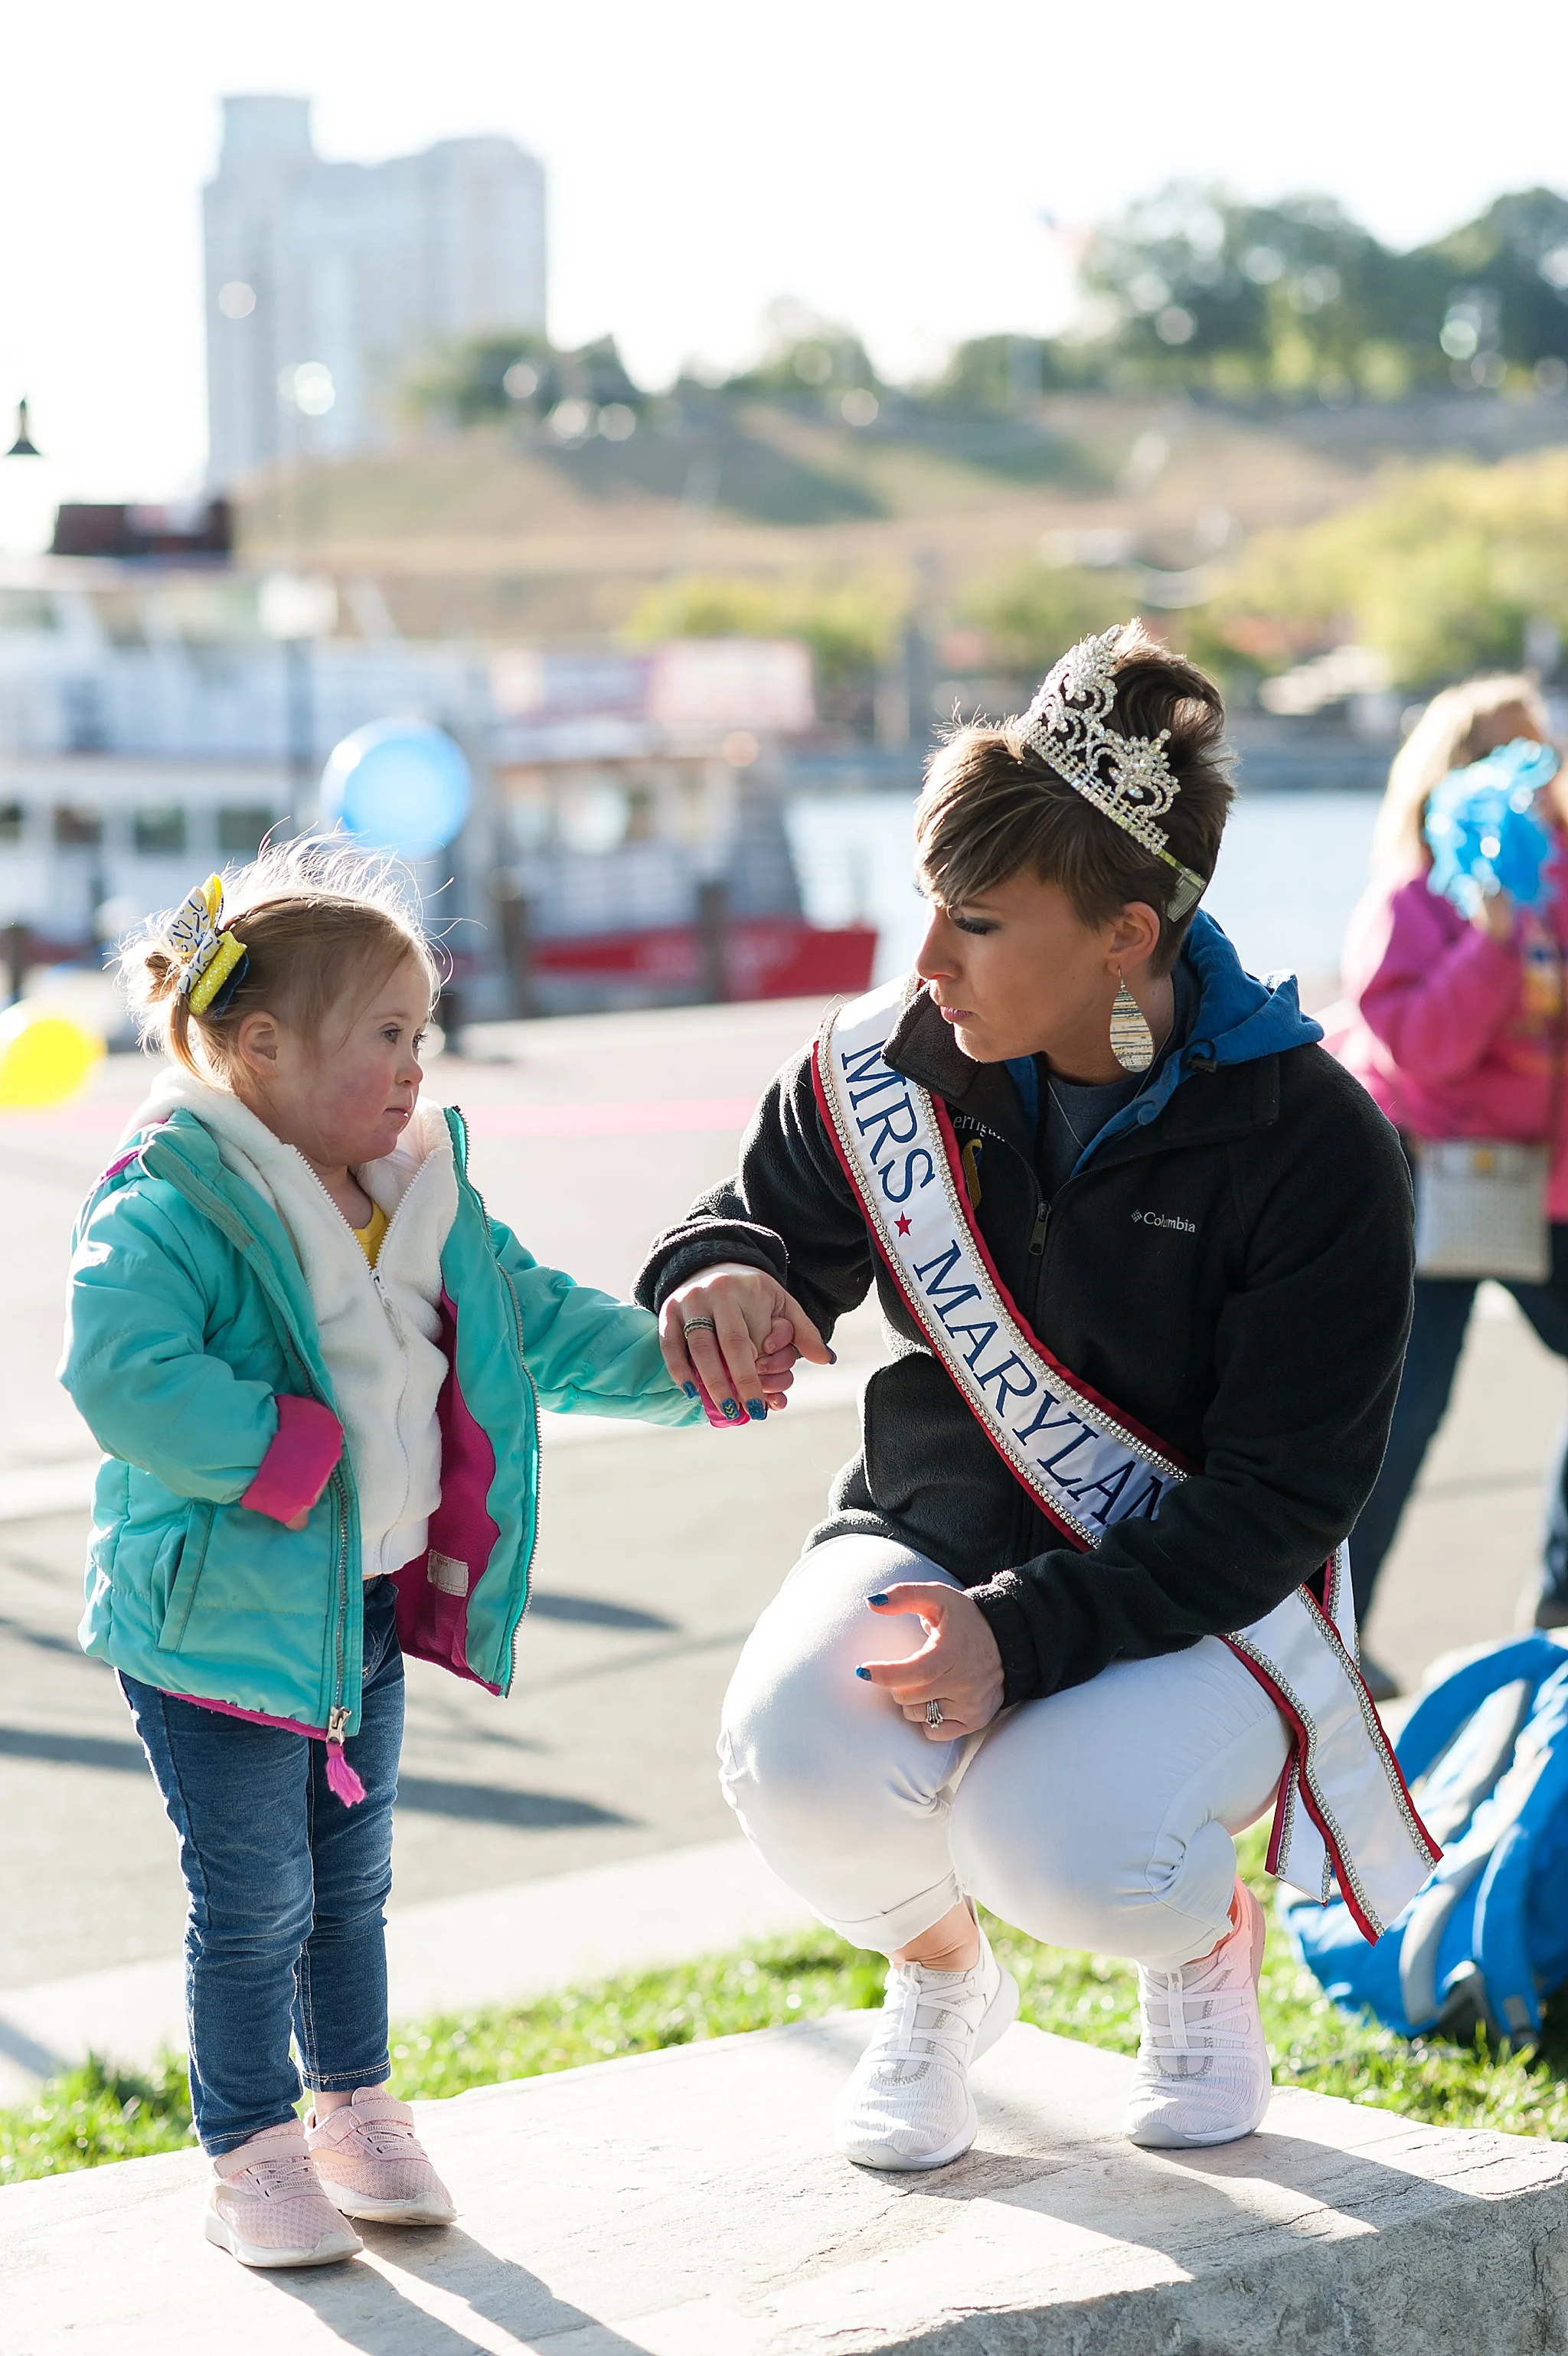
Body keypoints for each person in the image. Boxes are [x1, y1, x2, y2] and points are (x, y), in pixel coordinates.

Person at [634, 622, 1436, 2171]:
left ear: (1126, 933)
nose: (926, 959)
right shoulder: (901, 1052)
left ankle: (1197, 1945)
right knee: (787, 1752)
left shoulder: (1314, 1142)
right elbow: (761, 1212)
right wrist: (717, 1264)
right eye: (931, 904)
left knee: (1052, 1841)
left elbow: (1285, 1498)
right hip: (928, 1529)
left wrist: (1022, 1633)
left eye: (978, 921)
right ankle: (940, 1977)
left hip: (1197, 1599)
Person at [60, 841, 724, 2269]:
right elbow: (120, 1369)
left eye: (420, 1033)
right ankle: (248, 2147)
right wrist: (293, 1455)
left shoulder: (411, 1191)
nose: (416, 1065)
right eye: (383, 1037)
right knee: (254, 1899)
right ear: (256, 1048)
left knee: (349, 1885)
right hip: (220, 1624)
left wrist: (681, 1369)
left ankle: (353, 2105)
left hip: (355, 1606)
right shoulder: (175, 1195)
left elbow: (530, 1315)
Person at [1332, 675, 1568, 1694]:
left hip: (1542, 1182)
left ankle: (1560, 1601)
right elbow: (1423, 1049)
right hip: (1427, 1176)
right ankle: (1331, 1641)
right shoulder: (1411, 902)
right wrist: (1491, 935)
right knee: (1401, 1407)